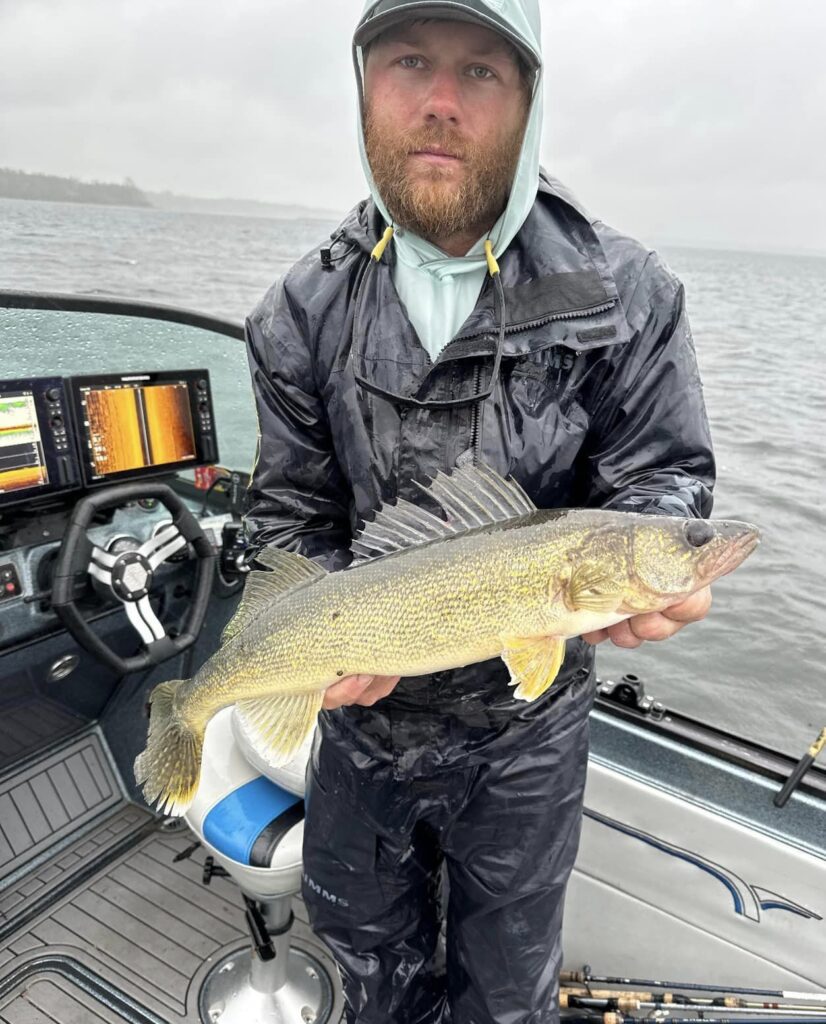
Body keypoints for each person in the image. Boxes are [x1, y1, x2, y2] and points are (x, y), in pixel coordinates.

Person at [243, 1, 715, 1020]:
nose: (441, 103)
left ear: (529, 100)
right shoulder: (297, 313)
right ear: (363, 84)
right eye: (410, 62)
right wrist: (328, 634)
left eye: (482, 71)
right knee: (372, 975)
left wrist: (664, 544)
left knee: (508, 992)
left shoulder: (628, 294)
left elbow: (665, 480)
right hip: (363, 736)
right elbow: (287, 514)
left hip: (530, 735)